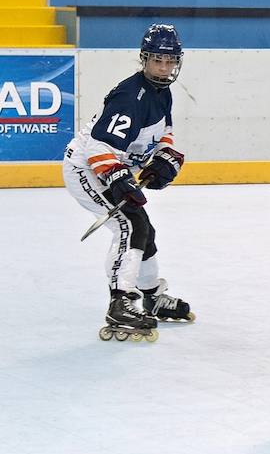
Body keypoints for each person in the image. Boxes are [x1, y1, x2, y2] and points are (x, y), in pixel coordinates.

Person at [62, 24, 192, 342]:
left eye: (169, 61)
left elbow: (163, 135)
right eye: (157, 61)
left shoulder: (164, 95)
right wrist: (118, 176)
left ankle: (151, 295)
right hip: (86, 169)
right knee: (130, 226)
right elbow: (98, 146)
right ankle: (121, 300)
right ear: (144, 59)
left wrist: (164, 157)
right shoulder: (129, 96)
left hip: (108, 167)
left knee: (144, 228)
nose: (164, 68)